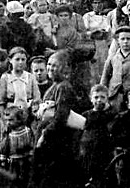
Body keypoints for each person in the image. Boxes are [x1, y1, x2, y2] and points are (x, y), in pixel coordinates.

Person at [30, 50, 84, 188]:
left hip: (56, 140)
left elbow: (61, 116)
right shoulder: (54, 86)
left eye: (55, 65)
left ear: (65, 68)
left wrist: (44, 134)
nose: (50, 68)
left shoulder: (64, 87)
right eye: (49, 64)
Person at [80, 84, 117, 188]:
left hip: (105, 154)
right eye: (96, 97)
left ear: (107, 98)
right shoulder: (85, 115)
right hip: (88, 153)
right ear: (91, 99)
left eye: (102, 97)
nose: (99, 100)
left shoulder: (111, 114)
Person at [83, 0, 112, 84]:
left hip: (103, 44)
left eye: (100, 3)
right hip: (92, 43)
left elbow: (109, 33)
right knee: (92, 68)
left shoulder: (106, 17)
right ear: (91, 4)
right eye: (95, 3)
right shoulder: (87, 16)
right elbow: (84, 31)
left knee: (103, 67)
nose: (98, 5)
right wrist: (92, 33)